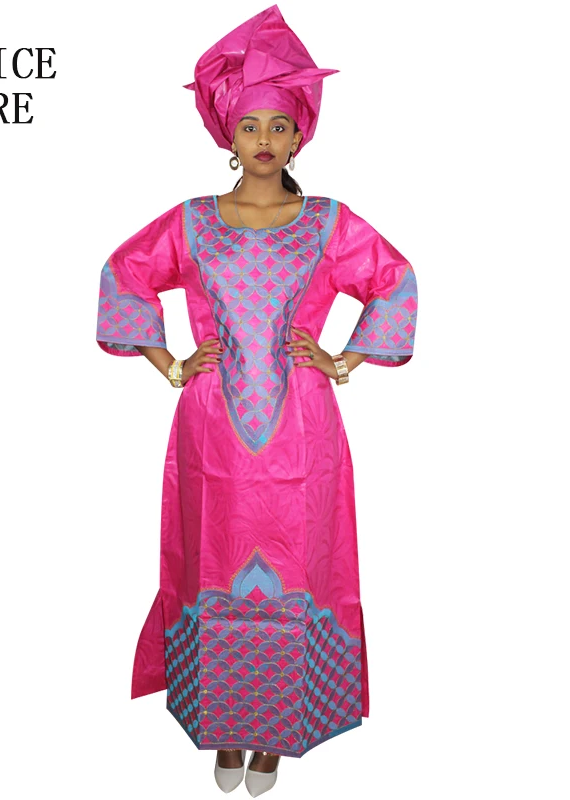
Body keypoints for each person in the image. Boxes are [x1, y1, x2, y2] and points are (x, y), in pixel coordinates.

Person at [95, 5, 418, 796]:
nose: (264, 139)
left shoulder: (328, 222)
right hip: (212, 428)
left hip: (303, 429)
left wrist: (343, 359)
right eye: (249, 126)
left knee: (297, 563)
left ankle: (274, 732)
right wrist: (169, 362)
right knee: (210, 559)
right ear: (227, 136)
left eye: (279, 125)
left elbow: (395, 280)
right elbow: (124, 272)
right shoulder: (192, 221)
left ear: (300, 136)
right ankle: (225, 722)